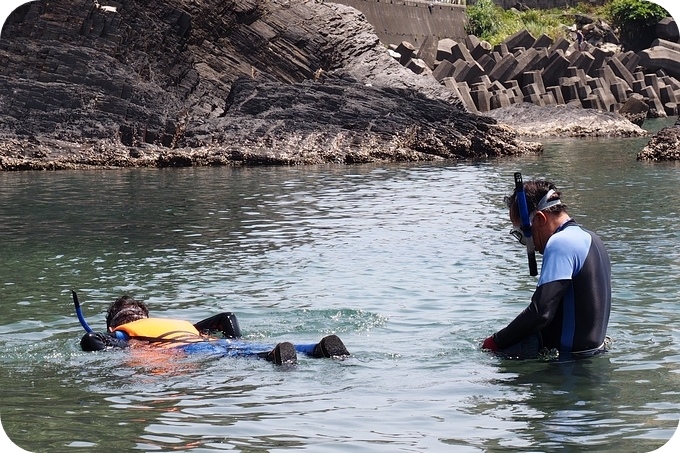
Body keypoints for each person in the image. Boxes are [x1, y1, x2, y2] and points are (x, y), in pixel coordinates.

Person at [481, 177, 611, 360]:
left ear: (540, 218)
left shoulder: (561, 243)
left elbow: (541, 313)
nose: (529, 245)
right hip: (592, 357)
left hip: (567, 368)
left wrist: (493, 342)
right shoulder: (591, 238)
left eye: (523, 234)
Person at [80, 295, 350, 365]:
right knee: (238, 349)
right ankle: (317, 349)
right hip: (200, 339)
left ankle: (272, 357)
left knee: (246, 355)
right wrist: (234, 340)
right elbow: (227, 317)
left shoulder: (123, 332)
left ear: (113, 323)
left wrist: (108, 341)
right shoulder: (177, 322)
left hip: (187, 349)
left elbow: (91, 341)